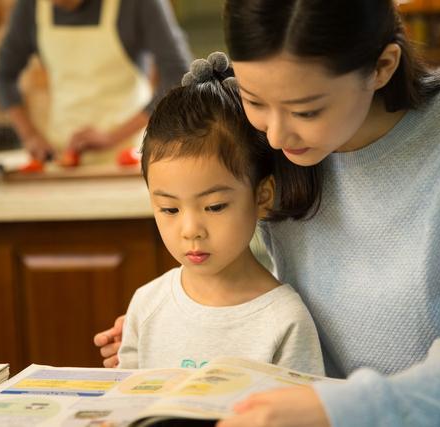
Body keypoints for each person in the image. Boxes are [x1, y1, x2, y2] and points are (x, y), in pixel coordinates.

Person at [96, 0, 440, 425]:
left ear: (382, 66)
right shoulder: (269, 138)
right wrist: (178, 325)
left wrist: (334, 410)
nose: (277, 134)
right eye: (254, 100)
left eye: (306, 110)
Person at [116, 53, 324, 375]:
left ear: (262, 197)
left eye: (214, 207)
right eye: (169, 208)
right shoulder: (146, 307)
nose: (190, 230)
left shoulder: (284, 320)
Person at [0, 0, 192, 164]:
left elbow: (178, 75)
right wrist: (30, 136)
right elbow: (3, 75)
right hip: (64, 157)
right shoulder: (30, 7)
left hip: (132, 155)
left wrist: (112, 138)